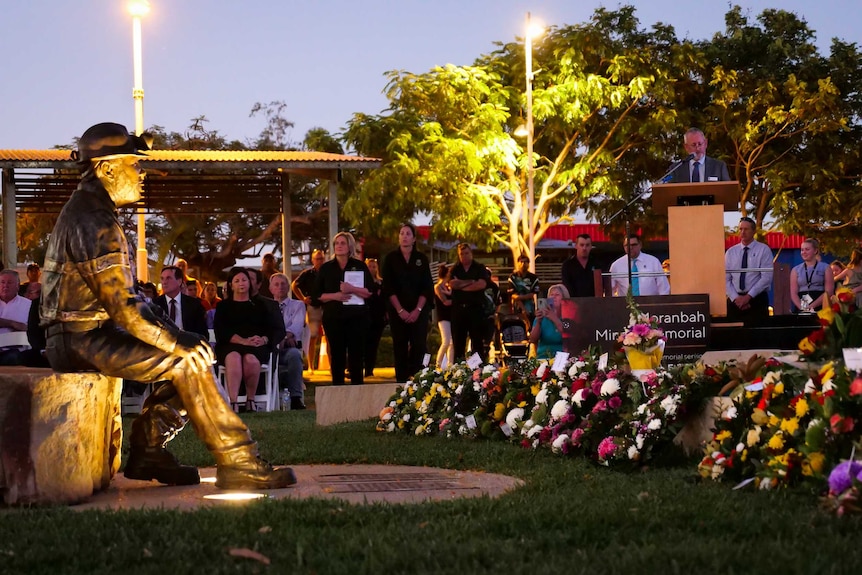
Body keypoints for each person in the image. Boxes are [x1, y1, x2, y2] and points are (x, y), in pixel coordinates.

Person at [40, 122, 293, 489]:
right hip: (78, 340)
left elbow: (131, 302)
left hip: (83, 335)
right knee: (188, 361)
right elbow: (126, 310)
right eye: (134, 164)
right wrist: (179, 342)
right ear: (107, 168)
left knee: (190, 352)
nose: (141, 173)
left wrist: (179, 335)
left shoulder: (92, 210)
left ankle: (149, 452)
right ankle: (239, 462)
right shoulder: (94, 220)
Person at [214, 268, 281, 410]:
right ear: (231, 285)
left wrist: (263, 339)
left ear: (250, 283)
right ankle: (233, 402)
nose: (241, 284)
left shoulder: (260, 306)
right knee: (234, 358)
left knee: (250, 360)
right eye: (237, 281)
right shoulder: (223, 306)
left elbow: (271, 329)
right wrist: (243, 341)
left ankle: (251, 400)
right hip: (230, 345)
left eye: (244, 280)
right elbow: (222, 331)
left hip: (255, 346)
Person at [313, 232, 373, 386]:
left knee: (356, 356)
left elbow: (369, 292)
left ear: (349, 247)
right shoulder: (326, 268)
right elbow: (316, 295)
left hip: (357, 317)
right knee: (337, 355)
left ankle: (357, 390)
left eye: (342, 243)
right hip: (334, 318)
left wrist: (351, 288)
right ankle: (338, 390)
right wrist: (336, 296)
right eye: (336, 243)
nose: (339, 246)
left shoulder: (359, 266)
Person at [382, 223, 434, 382]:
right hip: (398, 310)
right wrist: (400, 310)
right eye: (402, 233)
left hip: (418, 311)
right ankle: (401, 383)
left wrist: (417, 310)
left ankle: (420, 380)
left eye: (408, 234)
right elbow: (388, 287)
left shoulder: (421, 259)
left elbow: (427, 287)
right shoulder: (391, 259)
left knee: (419, 346)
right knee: (400, 347)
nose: (404, 236)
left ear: (414, 238)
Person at [269, 272, 307, 410]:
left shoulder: (298, 305)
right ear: (271, 288)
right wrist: (284, 337)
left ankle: (296, 398)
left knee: (295, 355)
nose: (280, 287)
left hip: (287, 350)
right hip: (270, 349)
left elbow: (296, 327)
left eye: (283, 284)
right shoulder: (266, 307)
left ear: (288, 287)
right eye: (276, 284)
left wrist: (284, 337)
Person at [725, 217, 773, 321]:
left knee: (757, 334)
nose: (743, 232)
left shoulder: (763, 250)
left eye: (746, 229)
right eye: (741, 229)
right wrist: (736, 298)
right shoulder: (731, 252)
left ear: (753, 231)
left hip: (757, 299)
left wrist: (748, 297)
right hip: (735, 301)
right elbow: (725, 278)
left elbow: (766, 277)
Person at [449, 243, 489, 362]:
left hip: (475, 309)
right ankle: (458, 370)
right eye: (461, 254)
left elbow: (481, 284)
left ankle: (479, 370)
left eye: (466, 253)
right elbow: (452, 284)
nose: (464, 256)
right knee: (458, 342)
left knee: (477, 342)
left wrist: (461, 284)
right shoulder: (455, 269)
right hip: (458, 310)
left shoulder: (479, 268)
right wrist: (471, 281)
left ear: (471, 253)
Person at [292, 249, 325, 372]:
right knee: (313, 336)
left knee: (329, 337)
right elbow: (295, 285)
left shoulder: (327, 272)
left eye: (321, 258)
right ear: (313, 260)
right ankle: (311, 365)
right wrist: (303, 299)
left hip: (327, 306)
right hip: (313, 307)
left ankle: (332, 367)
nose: (320, 261)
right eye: (317, 259)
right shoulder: (307, 274)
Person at [154, 265, 208, 339]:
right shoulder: (154, 304)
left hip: (188, 346)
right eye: (162, 279)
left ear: (179, 281)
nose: (164, 282)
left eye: (168, 278)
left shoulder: (194, 305)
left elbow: (202, 334)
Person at [667, 127, 731, 183]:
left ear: (705, 143)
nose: (698, 148)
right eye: (693, 145)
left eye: (700, 144)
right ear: (686, 147)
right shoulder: (675, 169)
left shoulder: (719, 167)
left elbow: (727, 191)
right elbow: (667, 189)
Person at [790, 238, 834, 312]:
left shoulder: (825, 267)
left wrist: (811, 307)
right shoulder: (796, 270)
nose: (804, 252)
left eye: (807, 249)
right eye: (802, 250)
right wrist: (803, 308)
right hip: (802, 302)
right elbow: (793, 293)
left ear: (815, 251)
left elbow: (829, 291)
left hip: (821, 303)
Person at [0, 269, 32, 365]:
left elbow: (33, 329)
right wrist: (12, 324)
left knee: (14, 358)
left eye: (9, 283)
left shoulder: (28, 305)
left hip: (15, 351)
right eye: (2, 282)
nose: (5, 286)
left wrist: (25, 328)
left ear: (17, 286)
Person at [530, 284, 569, 358]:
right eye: (551, 295)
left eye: (557, 295)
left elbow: (568, 337)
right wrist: (538, 322)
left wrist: (554, 318)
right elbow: (532, 339)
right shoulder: (542, 317)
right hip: (543, 357)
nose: (553, 297)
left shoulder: (568, 317)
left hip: (562, 357)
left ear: (564, 299)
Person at [364, 257, 387, 377]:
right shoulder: (362, 283)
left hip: (378, 317)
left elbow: (385, 300)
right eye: (369, 266)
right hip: (365, 316)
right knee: (363, 343)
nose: (371, 269)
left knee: (374, 344)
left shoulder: (381, 283)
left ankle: (369, 369)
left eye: (374, 266)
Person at [508, 254, 540, 324]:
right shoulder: (513, 277)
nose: (523, 264)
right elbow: (513, 295)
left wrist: (520, 297)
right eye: (521, 262)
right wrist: (523, 309)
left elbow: (534, 294)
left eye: (525, 262)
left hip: (530, 308)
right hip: (516, 308)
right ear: (518, 263)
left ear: (528, 264)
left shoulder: (534, 277)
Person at [434, 263, 454, 370]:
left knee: (452, 342)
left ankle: (450, 364)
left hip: (450, 316)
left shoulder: (448, 287)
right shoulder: (438, 287)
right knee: (446, 341)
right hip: (443, 317)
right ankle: (438, 362)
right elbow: (445, 302)